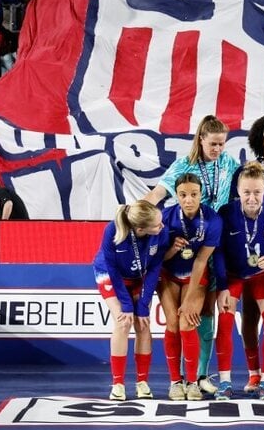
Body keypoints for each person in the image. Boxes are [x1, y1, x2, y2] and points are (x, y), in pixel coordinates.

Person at [144, 115, 238, 395]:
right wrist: (134, 216)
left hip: (214, 242)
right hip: (185, 247)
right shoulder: (183, 166)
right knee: (180, 320)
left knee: (206, 314)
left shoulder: (228, 162)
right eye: (213, 144)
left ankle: (200, 377)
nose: (218, 149)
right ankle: (178, 380)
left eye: (222, 144)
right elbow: (157, 194)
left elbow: (251, 174)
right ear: (201, 139)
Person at [214, 162, 264, 400]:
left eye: (257, 192)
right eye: (246, 192)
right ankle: (225, 382)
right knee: (225, 321)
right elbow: (218, 252)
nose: (252, 197)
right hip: (233, 276)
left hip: (260, 276)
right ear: (238, 191)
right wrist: (223, 286)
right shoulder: (226, 213)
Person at [92, 200, 170, 401]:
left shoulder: (162, 233)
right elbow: (112, 268)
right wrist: (126, 305)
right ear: (140, 228)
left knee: (143, 324)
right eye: (157, 225)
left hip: (140, 277)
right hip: (110, 274)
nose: (162, 227)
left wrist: (143, 305)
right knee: (122, 321)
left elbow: (154, 269)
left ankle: (142, 382)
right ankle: (118, 384)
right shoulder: (113, 230)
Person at [158, 174, 221, 401]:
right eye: (183, 195)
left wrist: (188, 299)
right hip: (169, 275)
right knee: (173, 324)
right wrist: (173, 250)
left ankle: (192, 382)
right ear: (176, 195)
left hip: (197, 275)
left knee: (187, 322)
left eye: (194, 194)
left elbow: (201, 260)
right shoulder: (165, 218)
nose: (188, 200)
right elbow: (158, 259)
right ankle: (176, 382)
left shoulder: (213, 220)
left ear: (201, 195)